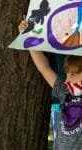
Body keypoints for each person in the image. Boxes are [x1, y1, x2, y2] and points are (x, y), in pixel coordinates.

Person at [19, 19, 82, 150]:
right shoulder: (64, 90)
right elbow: (44, 68)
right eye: (68, 74)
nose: (67, 80)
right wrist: (28, 37)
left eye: (74, 75)